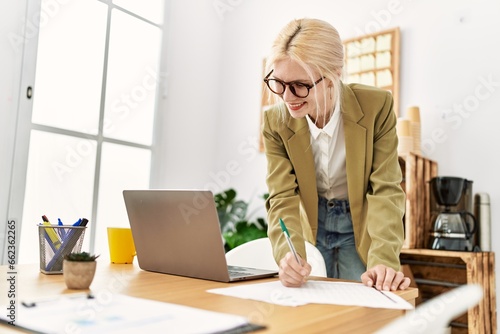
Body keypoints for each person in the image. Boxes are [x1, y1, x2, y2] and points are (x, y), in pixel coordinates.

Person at [261, 18, 411, 291]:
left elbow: (385, 189)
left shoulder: (377, 106)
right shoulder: (275, 122)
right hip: (311, 224)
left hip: (360, 224)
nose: (287, 97)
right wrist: (288, 254)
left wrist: (384, 259)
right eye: (278, 83)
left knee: (366, 310)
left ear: (334, 75)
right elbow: (282, 196)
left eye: (299, 85)